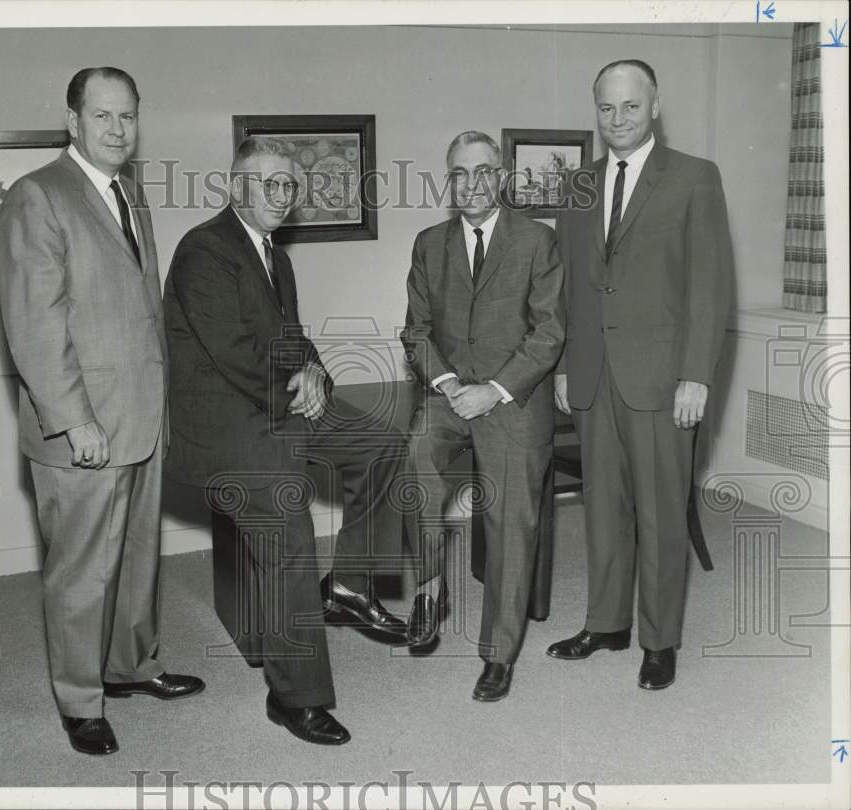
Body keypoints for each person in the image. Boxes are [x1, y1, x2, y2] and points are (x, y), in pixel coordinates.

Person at [163, 136, 409, 745]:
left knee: (382, 443)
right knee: (289, 528)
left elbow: (292, 337)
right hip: (228, 423)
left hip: (281, 401)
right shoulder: (204, 250)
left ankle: (349, 586)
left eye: (288, 186)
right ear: (236, 188)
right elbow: (232, 356)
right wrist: (297, 389)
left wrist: (317, 373)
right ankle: (293, 698)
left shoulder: (275, 254)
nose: (280, 196)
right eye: (268, 184)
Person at [0, 67, 204, 756]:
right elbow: (34, 326)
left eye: (129, 117)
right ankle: (80, 702)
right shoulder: (37, 196)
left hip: (140, 417)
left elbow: (142, 315)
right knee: (82, 571)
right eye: (104, 116)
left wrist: (164, 411)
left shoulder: (129, 195)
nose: (119, 129)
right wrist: (74, 418)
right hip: (81, 427)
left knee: (139, 558)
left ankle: (130, 667)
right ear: (74, 120)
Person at [549, 59, 734, 689]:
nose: (618, 119)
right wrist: (566, 369)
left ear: (654, 106)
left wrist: (697, 375)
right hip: (594, 378)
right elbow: (570, 286)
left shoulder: (693, 177)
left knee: (660, 513)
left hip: (663, 379)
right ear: (594, 109)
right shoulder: (577, 186)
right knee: (603, 508)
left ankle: (659, 640)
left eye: (630, 106)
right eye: (606, 108)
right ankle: (607, 623)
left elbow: (710, 287)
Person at [400, 131, 565, 701]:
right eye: (458, 173)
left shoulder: (537, 242)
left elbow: (549, 334)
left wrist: (493, 390)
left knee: (508, 522)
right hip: (450, 396)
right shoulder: (429, 243)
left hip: (513, 399)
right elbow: (415, 331)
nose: (471, 184)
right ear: (448, 180)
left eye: (482, 172)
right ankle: (429, 587)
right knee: (415, 459)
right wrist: (447, 384)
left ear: (500, 177)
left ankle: (498, 656)